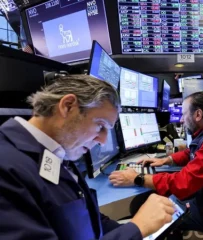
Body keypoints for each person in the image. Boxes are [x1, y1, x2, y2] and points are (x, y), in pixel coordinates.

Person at [0, 75, 175, 240]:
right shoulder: (6, 166)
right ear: (68, 106)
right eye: (100, 126)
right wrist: (137, 228)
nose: (103, 140)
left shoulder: (59, 153)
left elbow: (89, 220)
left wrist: (136, 231)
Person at [109, 92, 203, 239]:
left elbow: (182, 183)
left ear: (198, 114)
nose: (181, 120)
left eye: (184, 114)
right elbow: (191, 151)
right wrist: (167, 160)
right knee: (144, 203)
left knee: (152, 211)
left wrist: (137, 178)